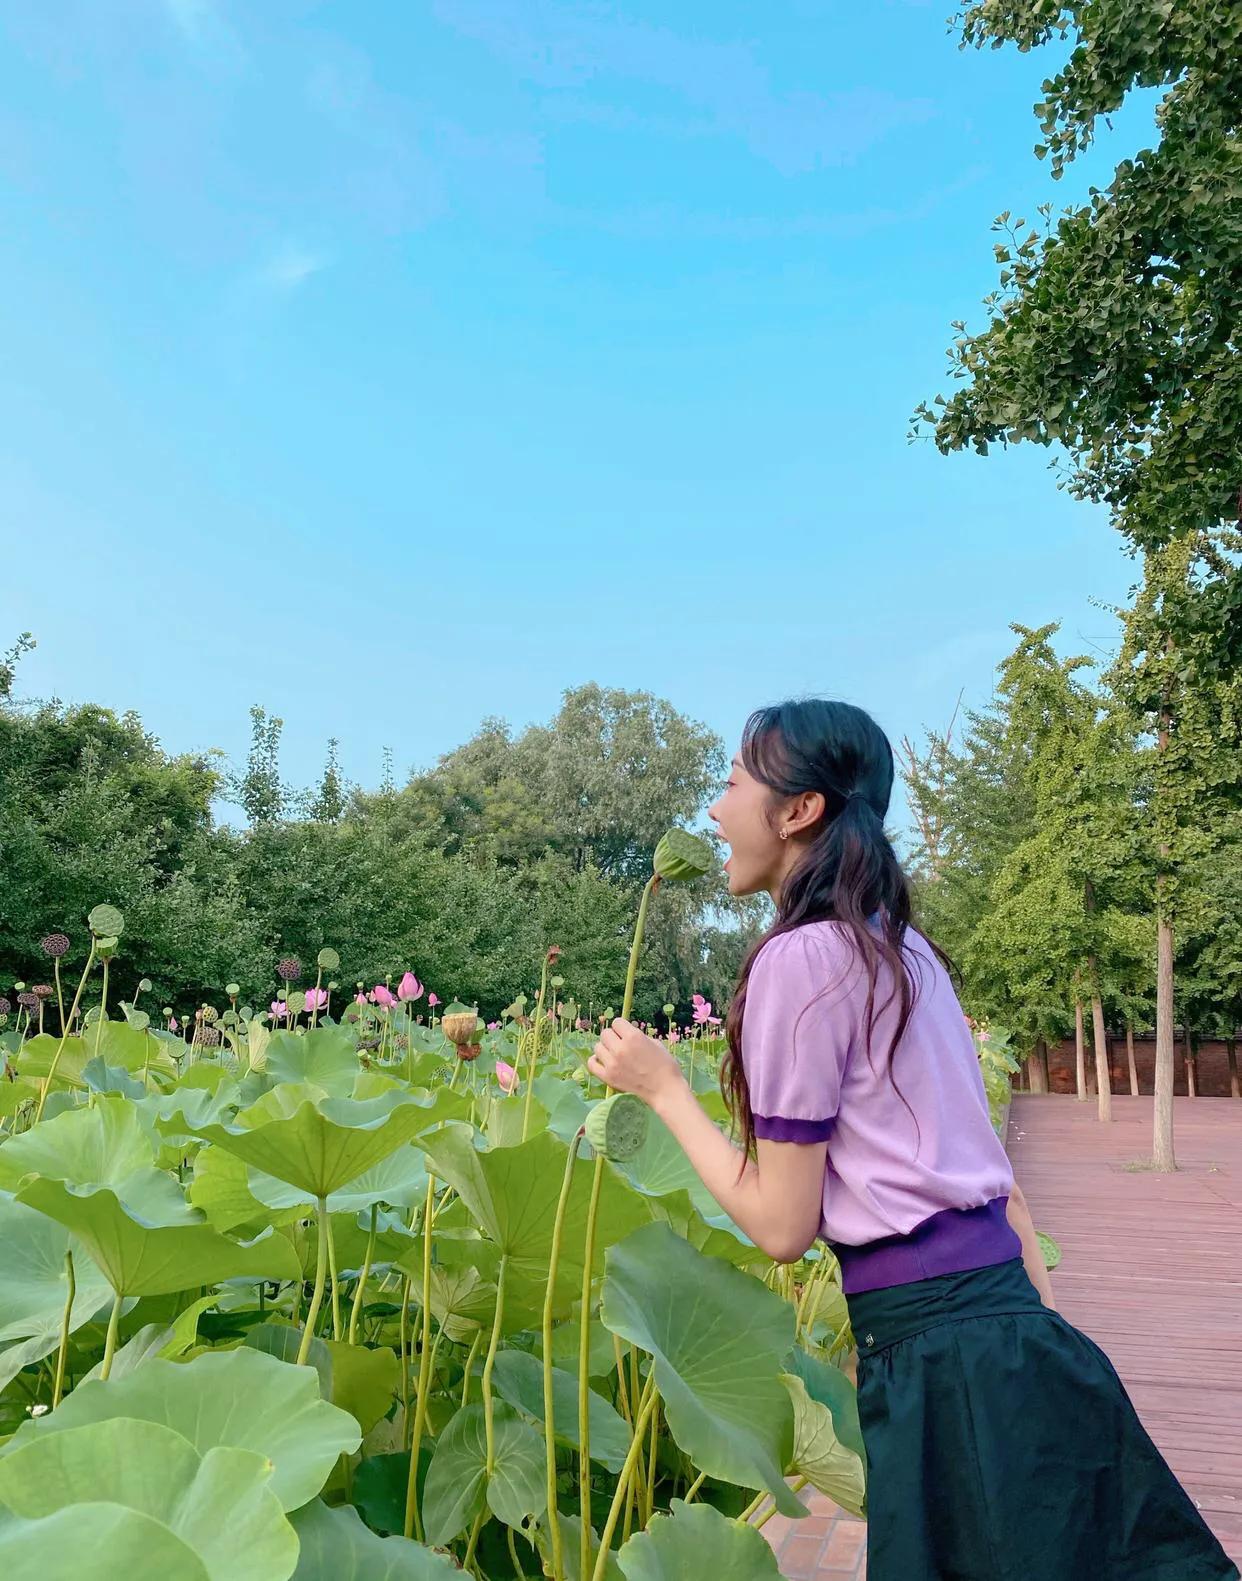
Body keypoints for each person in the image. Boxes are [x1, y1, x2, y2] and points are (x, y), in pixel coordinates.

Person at [588, 698, 1238, 1581]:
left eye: (733, 781)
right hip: (1018, 1339)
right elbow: (1003, 1187)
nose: (715, 808)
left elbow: (783, 1226)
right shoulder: (908, 951)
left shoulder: (800, 962)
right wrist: (1028, 1348)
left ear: (797, 810)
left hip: (944, 1367)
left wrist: (665, 1090)